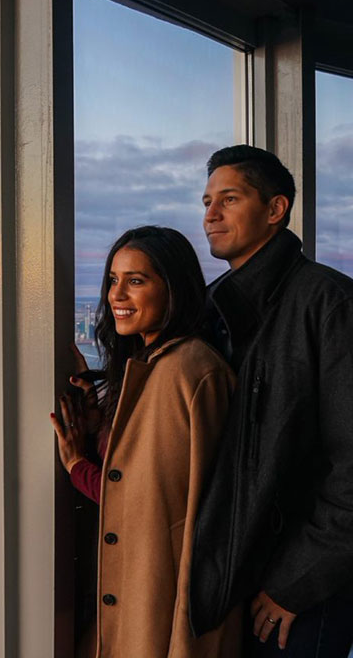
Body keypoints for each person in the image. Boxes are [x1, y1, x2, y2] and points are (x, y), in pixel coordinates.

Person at [189, 145, 353, 658]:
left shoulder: (329, 303)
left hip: (301, 591)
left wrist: (297, 582)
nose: (210, 214)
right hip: (239, 574)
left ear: (276, 209)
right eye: (207, 200)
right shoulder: (215, 309)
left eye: (229, 199)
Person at [52, 225, 241, 658]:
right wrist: (102, 424)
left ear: (173, 289)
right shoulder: (154, 363)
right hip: (141, 600)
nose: (117, 295)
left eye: (136, 281)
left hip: (161, 609)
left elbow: (153, 506)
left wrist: (79, 466)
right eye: (113, 281)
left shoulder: (187, 373)